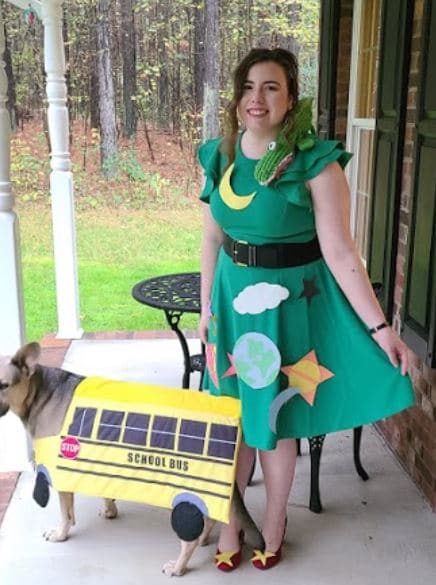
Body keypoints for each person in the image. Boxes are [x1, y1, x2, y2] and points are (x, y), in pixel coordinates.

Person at [197, 47, 415, 571]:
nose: (257, 98)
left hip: (286, 308)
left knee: (272, 419)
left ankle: (274, 522)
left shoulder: (316, 162)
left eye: (271, 87)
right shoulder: (220, 155)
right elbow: (210, 236)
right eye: (248, 87)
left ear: (291, 97)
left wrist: (381, 327)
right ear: (237, 97)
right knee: (229, 419)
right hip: (231, 305)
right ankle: (230, 523)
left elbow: (341, 253)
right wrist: (206, 306)